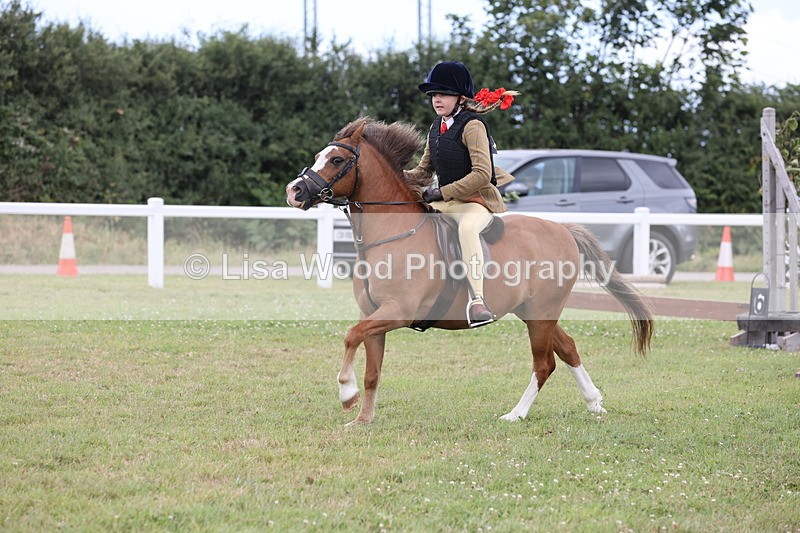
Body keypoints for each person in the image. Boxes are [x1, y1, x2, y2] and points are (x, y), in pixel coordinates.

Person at [404, 61, 518, 327]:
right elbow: (423, 171)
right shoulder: (436, 127)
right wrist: (393, 174)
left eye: (442, 93)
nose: (437, 99)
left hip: (476, 202)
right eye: (433, 95)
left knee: (466, 229)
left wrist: (442, 192)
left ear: (460, 97)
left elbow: (481, 173)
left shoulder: (473, 126)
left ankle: (477, 300)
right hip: (447, 202)